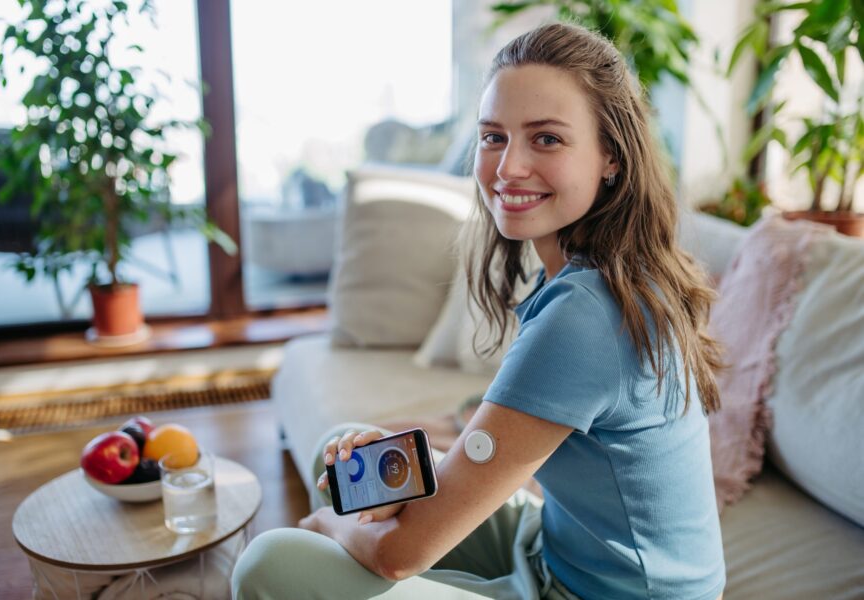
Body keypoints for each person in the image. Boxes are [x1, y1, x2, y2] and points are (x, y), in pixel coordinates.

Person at [232, 22, 726, 600]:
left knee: (272, 562)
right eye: (494, 137)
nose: (508, 166)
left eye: (546, 139)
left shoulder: (587, 316)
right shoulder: (603, 269)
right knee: (344, 455)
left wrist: (328, 530)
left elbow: (398, 557)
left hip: (605, 593)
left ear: (610, 157)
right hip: (557, 546)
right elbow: (510, 433)